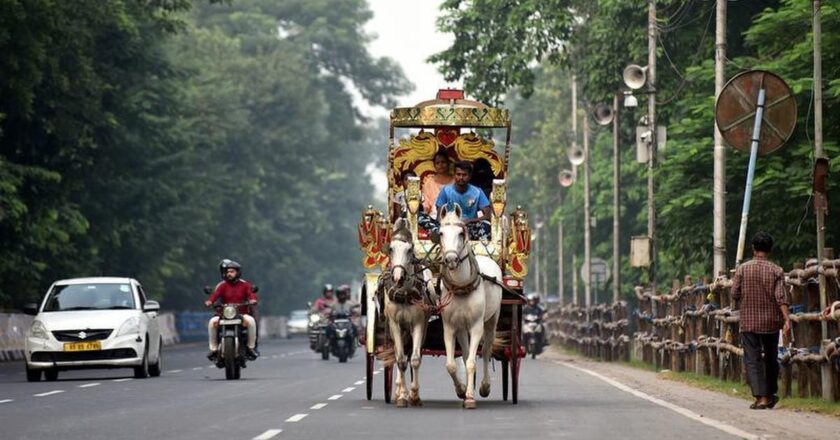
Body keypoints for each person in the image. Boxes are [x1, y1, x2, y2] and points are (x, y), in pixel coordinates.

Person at [731, 231, 791, 410]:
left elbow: (734, 293)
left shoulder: (742, 269)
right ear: (770, 250)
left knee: (752, 358)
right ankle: (770, 394)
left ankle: (761, 397)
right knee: (771, 357)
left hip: (749, 321)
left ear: (753, 249)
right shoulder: (776, 270)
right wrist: (786, 320)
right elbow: (781, 297)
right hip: (771, 322)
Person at [205, 259, 258, 361]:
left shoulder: (245, 285)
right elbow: (215, 296)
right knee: (212, 322)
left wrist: (253, 300)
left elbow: (251, 294)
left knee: (251, 321)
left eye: (232, 271)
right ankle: (214, 349)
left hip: (242, 313)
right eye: (228, 271)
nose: (229, 274)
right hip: (224, 314)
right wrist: (210, 301)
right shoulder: (222, 285)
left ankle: (250, 348)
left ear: (238, 273)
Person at [435, 160, 491, 240]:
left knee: (486, 225)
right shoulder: (445, 191)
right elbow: (439, 217)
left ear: (470, 176)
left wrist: (469, 221)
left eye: (464, 175)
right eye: (458, 174)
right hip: (450, 228)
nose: (461, 178)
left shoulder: (478, 192)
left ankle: (482, 251)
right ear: (454, 175)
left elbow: (488, 216)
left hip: (470, 227)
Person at [422, 150, 454, 215]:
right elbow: (426, 204)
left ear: (448, 163)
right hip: (434, 216)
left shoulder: (456, 181)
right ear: (434, 166)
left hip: (453, 214)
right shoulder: (429, 182)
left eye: (443, 162)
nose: (440, 165)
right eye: (437, 163)